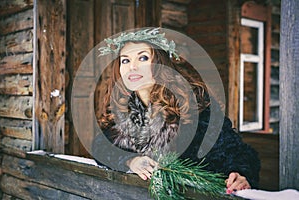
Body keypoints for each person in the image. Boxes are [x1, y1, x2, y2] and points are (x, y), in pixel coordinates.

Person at [92, 28, 260, 194]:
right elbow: (101, 145)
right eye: (125, 60)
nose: (132, 67)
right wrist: (130, 161)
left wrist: (241, 174)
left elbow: (236, 150)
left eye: (142, 58)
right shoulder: (125, 108)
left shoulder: (194, 103)